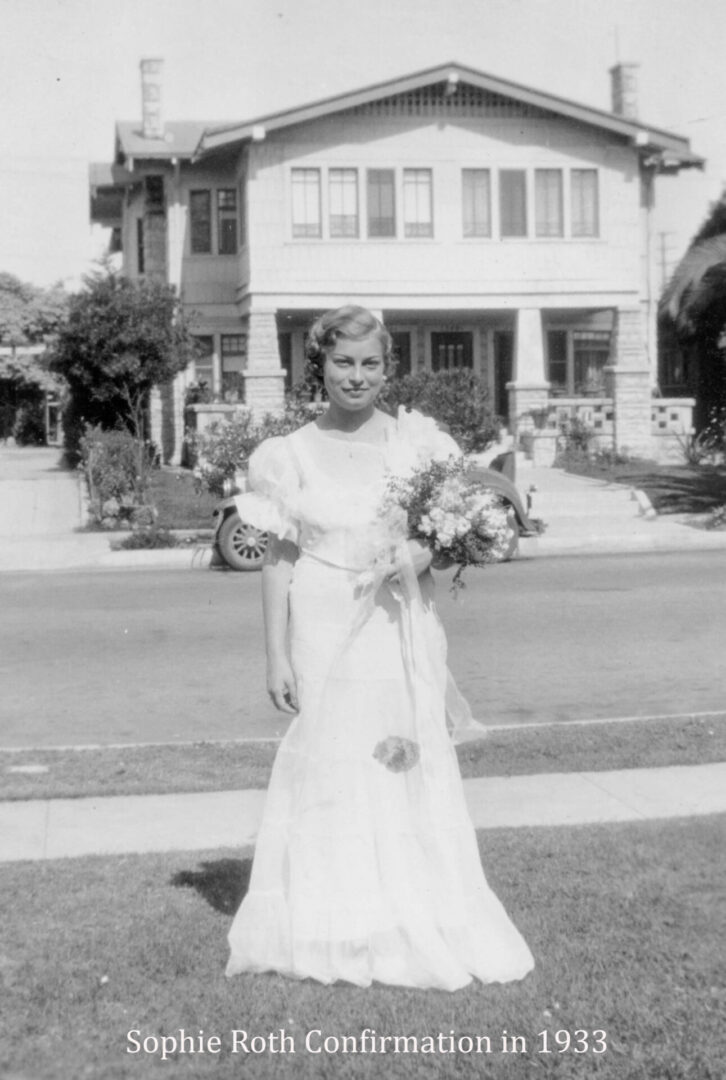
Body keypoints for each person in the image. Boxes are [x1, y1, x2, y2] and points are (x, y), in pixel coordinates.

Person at [226, 305, 534, 990]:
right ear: (321, 367)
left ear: (386, 368)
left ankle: (411, 908)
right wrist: (274, 654)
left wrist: (416, 558)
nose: (356, 376)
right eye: (343, 362)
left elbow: (451, 533)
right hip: (321, 617)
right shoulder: (288, 455)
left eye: (370, 364)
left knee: (400, 751)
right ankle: (335, 916)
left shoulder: (417, 445)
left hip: (393, 619)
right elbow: (279, 556)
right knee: (333, 754)